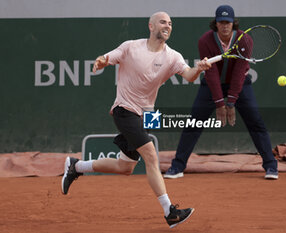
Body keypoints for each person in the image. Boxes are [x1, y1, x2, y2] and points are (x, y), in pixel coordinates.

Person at [61, 11, 211, 228]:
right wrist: (101, 62)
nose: (167, 26)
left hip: (148, 114)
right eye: (162, 22)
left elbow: (188, 75)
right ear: (151, 26)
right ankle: (170, 211)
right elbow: (106, 58)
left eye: (170, 23)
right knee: (151, 156)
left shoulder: (173, 56)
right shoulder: (131, 47)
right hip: (125, 109)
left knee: (126, 167)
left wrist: (199, 68)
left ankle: (76, 166)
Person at [164, 5, 278, 180]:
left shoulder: (244, 40)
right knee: (193, 123)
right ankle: (177, 167)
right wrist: (219, 103)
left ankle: (271, 166)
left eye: (228, 22)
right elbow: (211, 73)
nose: (225, 26)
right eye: (221, 22)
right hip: (212, 85)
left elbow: (240, 72)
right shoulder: (205, 41)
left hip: (239, 85)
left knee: (255, 122)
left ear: (234, 24)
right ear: (215, 23)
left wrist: (231, 102)